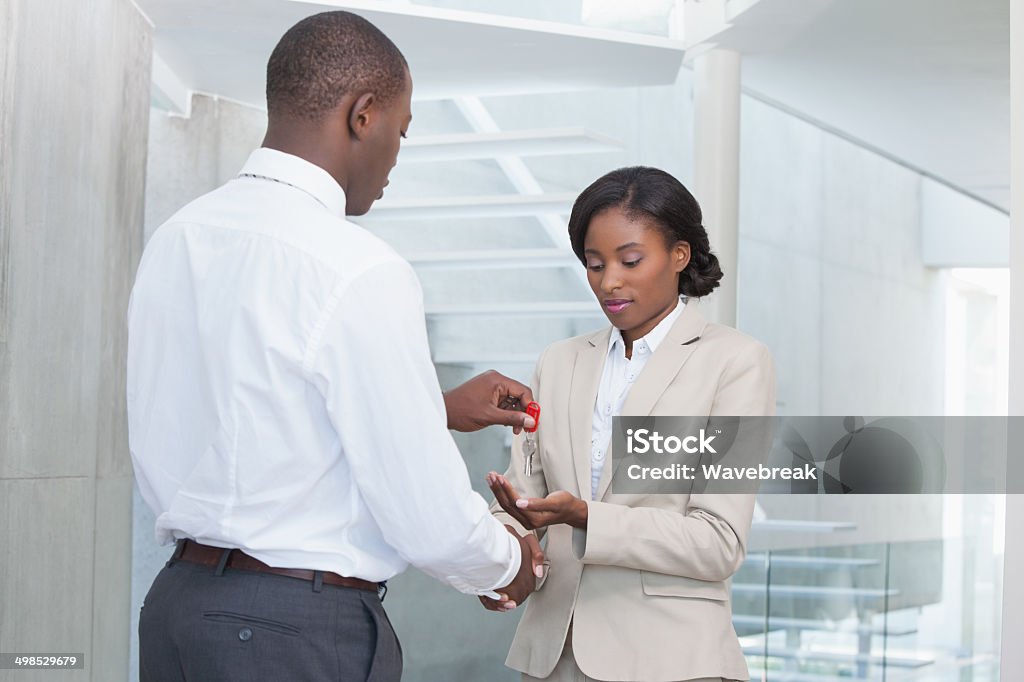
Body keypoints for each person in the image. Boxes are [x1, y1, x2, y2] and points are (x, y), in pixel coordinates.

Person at [128, 11, 542, 682]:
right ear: (363, 115)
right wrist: (507, 563)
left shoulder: (180, 237)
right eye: (401, 133)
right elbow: (427, 517)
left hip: (178, 609)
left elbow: (253, 412)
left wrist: (426, 406)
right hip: (292, 630)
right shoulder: (357, 267)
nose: (395, 160)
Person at [485, 166, 776, 682]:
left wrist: (584, 517)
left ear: (679, 255)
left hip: (672, 662)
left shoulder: (733, 363)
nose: (609, 281)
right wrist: (502, 562)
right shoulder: (559, 361)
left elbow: (717, 542)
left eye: (630, 260)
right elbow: (525, 499)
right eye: (594, 264)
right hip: (554, 657)